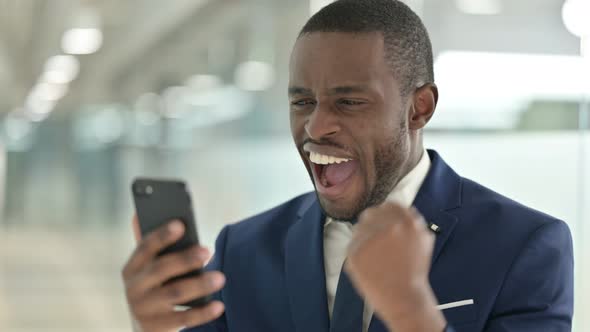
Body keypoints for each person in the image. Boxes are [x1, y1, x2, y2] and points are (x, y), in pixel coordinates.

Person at [121, 0, 574, 331]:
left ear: (419, 108)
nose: (316, 126)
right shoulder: (243, 249)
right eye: (302, 101)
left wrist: (412, 311)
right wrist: (154, 327)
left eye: (350, 101)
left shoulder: (525, 247)